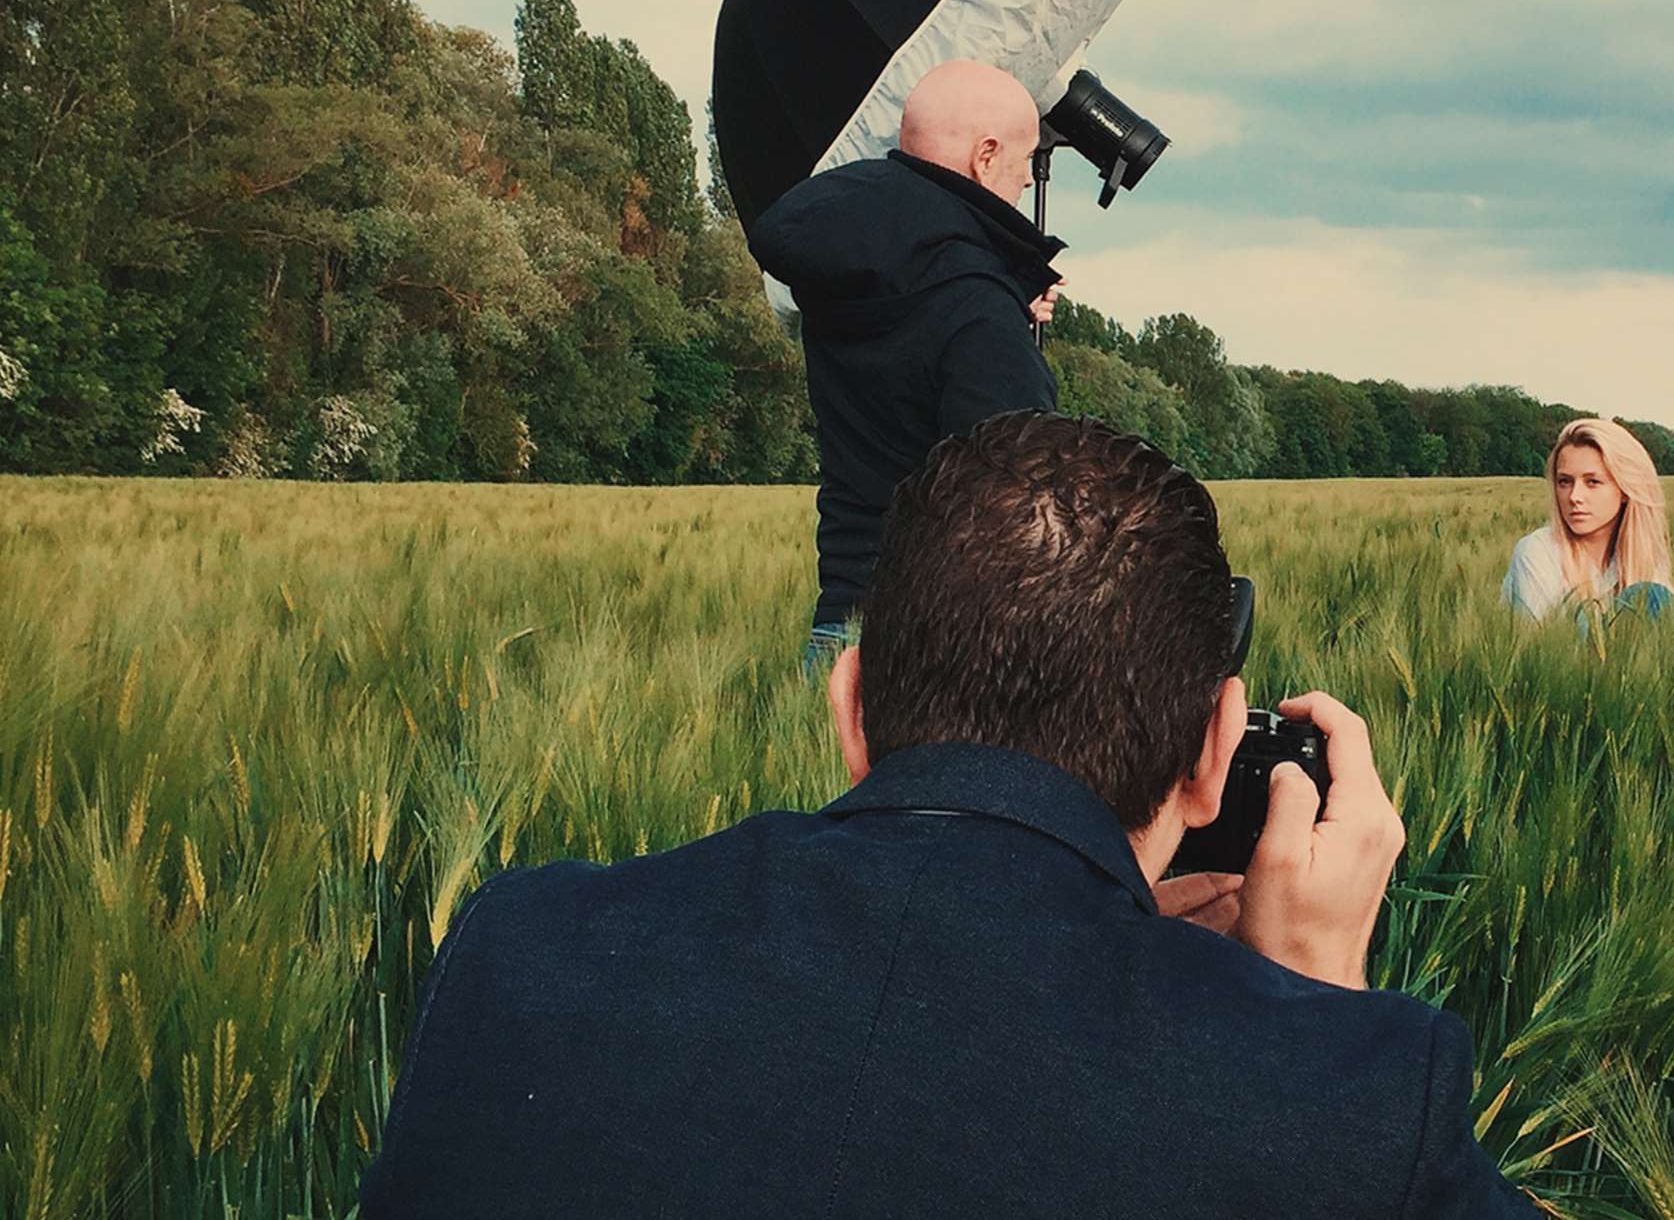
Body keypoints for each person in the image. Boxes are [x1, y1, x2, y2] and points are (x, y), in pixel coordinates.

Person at [357, 412, 1535, 1217]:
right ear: (1214, 752)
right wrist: (1304, 1017)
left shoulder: (520, 949)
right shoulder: (1364, 1087)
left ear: (849, 701)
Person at [747, 60, 1068, 669]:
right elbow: (1017, 505)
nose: (1027, 181)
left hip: (839, 629)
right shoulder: (974, 311)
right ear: (986, 154)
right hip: (935, 649)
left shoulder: (847, 265)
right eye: (1025, 161)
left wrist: (998, 289)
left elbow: (910, 337)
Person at [1503, 417, 1674, 623]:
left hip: (1627, 653)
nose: (1574, 496)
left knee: (1653, 596)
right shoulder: (1537, 552)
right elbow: (1537, 644)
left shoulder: (1644, 556)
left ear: (1625, 490)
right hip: (1561, 655)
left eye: (1592, 482)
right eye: (1564, 482)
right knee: (1582, 618)